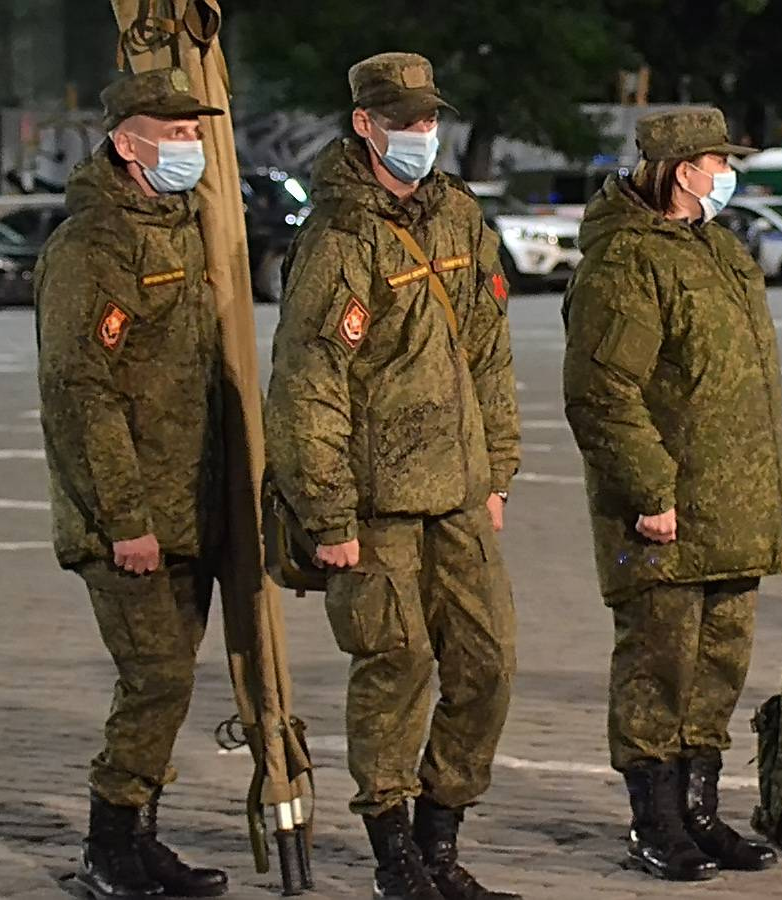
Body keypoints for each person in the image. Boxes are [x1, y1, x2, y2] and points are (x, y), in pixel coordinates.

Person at [264, 52, 519, 900]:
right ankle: (394, 852)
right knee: (396, 666)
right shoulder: (339, 236)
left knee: (489, 664)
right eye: (404, 121)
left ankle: (442, 835)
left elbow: (488, 351)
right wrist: (328, 515)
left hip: (458, 493)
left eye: (428, 119)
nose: (422, 134)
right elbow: (309, 383)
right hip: (374, 507)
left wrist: (498, 470)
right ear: (363, 125)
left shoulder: (459, 217)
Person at [562, 107, 782, 882]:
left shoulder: (717, 249)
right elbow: (603, 392)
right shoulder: (626, 263)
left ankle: (699, 811)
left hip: (732, 503)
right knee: (658, 666)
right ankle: (654, 819)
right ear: (676, 168)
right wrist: (647, 489)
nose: (725, 174)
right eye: (713, 161)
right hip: (665, 507)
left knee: (719, 665)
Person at [35, 67, 229, 899]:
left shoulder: (183, 228)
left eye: (195, 135)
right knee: (157, 678)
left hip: (191, 507)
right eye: (174, 136)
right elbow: (81, 391)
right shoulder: (93, 246)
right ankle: (108, 841)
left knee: (169, 680)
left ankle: (141, 836)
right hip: (131, 516)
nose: (190, 149)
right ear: (125, 144)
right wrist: (124, 516)